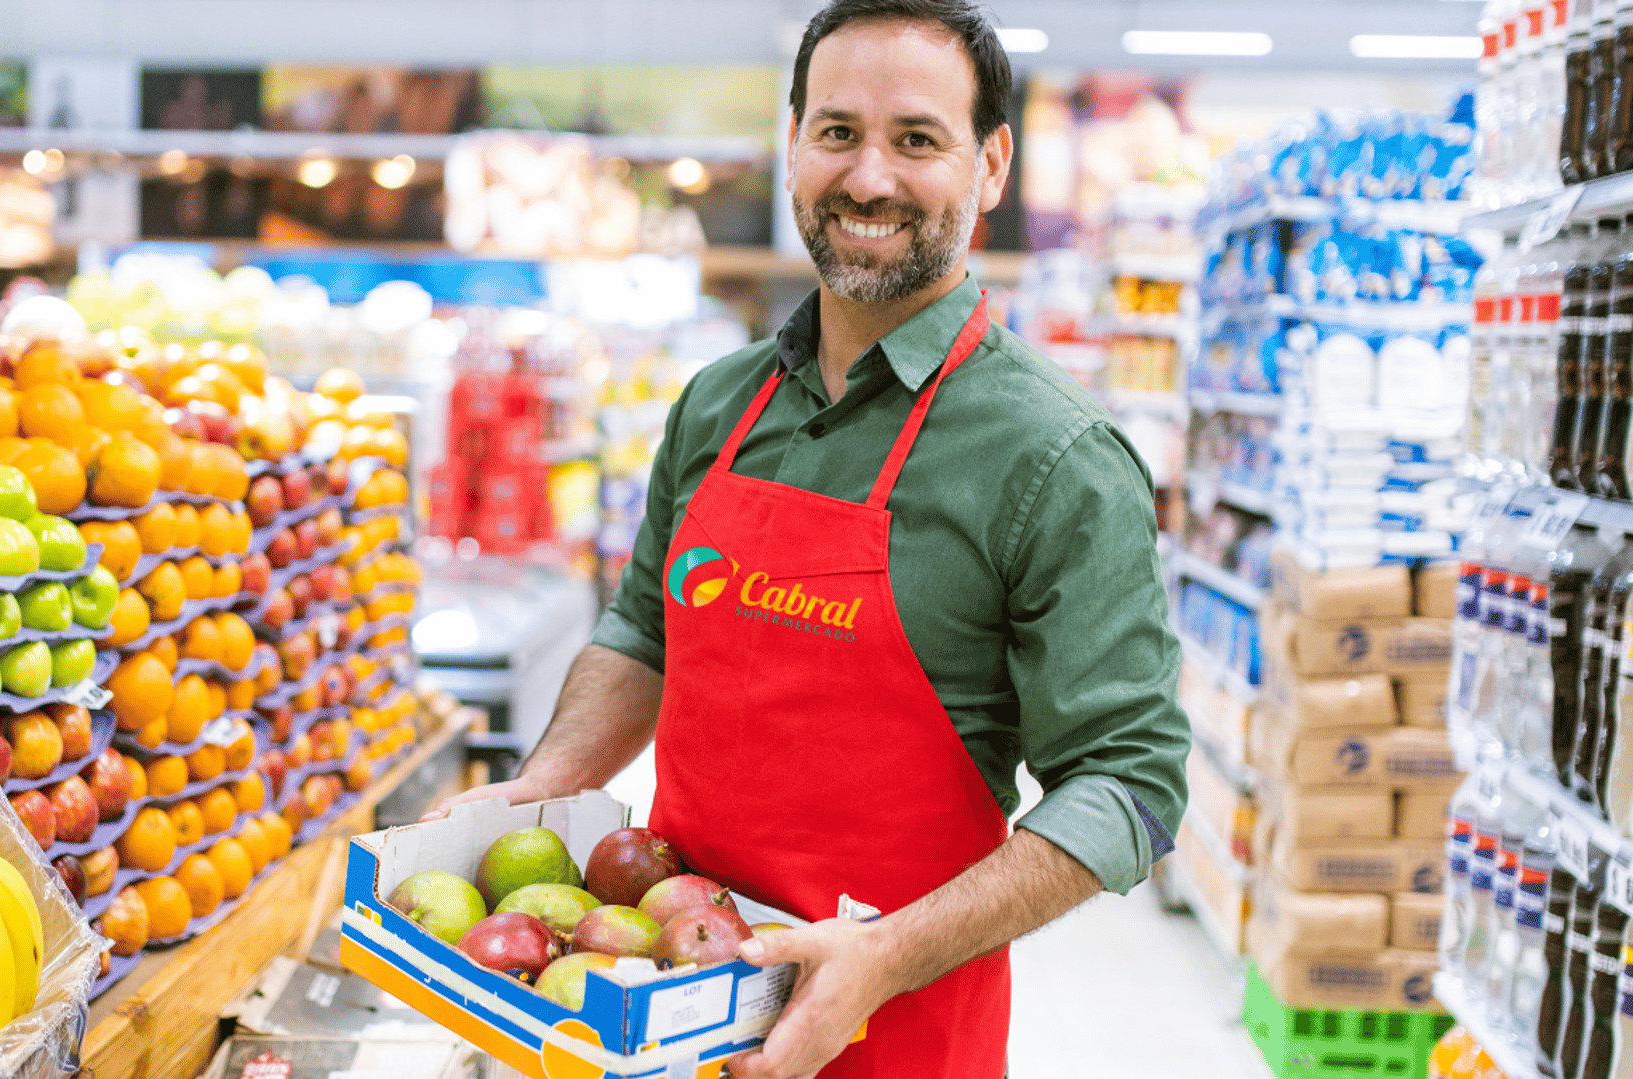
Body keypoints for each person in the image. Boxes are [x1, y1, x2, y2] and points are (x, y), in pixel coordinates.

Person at [428, 1, 1190, 1075]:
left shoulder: (1054, 458)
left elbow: (1131, 781)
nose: (868, 177)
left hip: (897, 1029)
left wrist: (885, 953)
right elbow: (646, 625)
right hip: (661, 1002)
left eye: (916, 139)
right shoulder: (718, 406)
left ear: (992, 162)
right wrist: (538, 787)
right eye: (838, 131)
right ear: (793, 146)